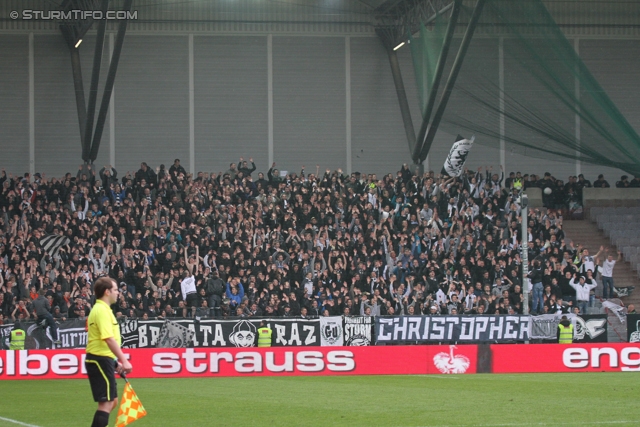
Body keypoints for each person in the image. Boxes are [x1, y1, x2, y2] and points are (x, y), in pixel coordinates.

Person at [85, 277, 133, 427]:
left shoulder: (102, 309)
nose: (118, 293)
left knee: (112, 402)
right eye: (115, 289)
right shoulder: (101, 310)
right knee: (106, 404)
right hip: (99, 359)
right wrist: (124, 360)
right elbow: (108, 338)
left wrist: (114, 362)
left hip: (103, 358)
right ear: (107, 292)